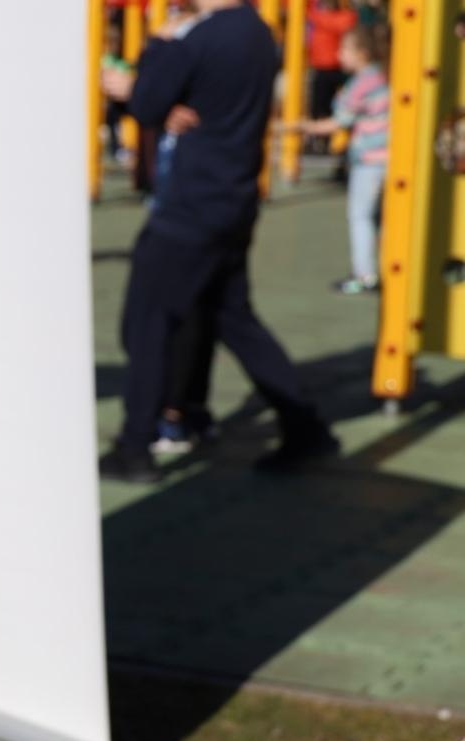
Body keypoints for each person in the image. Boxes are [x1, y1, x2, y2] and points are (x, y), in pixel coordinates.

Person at [99, 0, 339, 482]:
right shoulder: (257, 33)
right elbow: (203, 99)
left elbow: (146, 103)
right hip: (233, 198)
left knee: (147, 324)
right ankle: (304, 425)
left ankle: (135, 444)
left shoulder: (197, 38)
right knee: (234, 319)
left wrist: (154, 55)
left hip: (191, 204)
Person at [290, 25, 389, 295]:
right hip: (389, 157)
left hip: (370, 159)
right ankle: (384, 268)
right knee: (382, 219)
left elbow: (339, 123)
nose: (339, 54)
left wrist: (302, 127)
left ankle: (364, 273)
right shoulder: (383, 77)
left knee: (359, 215)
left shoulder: (360, 84)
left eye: (345, 49)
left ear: (362, 53)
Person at [307, 0, 359, 155]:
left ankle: (337, 141)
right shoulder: (319, 14)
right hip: (321, 68)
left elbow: (341, 24)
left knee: (340, 106)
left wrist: (319, 17)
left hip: (339, 68)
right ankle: (319, 140)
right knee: (318, 106)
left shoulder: (343, 16)